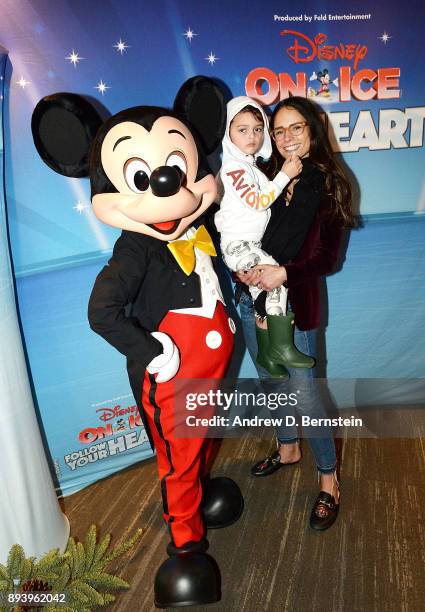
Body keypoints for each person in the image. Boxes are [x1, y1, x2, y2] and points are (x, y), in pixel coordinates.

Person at [237, 96, 354, 531]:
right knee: (271, 382)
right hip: (251, 299)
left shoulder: (329, 183)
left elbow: (327, 259)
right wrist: (241, 265)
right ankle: (287, 447)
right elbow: (240, 228)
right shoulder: (262, 176)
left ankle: (329, 478)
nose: (286, 138)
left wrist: (282, 273)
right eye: (278, 130)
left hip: (295, 304)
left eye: (296, 128)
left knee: (305, 394)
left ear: (313, 130)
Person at [215, 96, 313, 376]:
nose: (253, 136)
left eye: (258, 129)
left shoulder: (248, 166)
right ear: (228, 133)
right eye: (242, 129)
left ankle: (270, 354)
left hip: (246, 247)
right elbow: (259, 201)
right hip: (240, 247)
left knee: (263, 299)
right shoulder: (235, 169)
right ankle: (280, 347)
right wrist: (284, 174)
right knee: (277, 286)